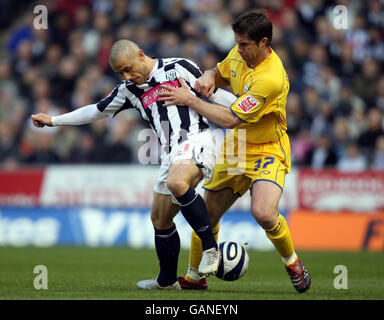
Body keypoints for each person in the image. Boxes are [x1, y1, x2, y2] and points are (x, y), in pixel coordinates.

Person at [31, 39, 237, 290]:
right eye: (121, 73)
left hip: (197, 139)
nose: (127, 76)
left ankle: (210, 249)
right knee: (160, 219)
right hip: (170, 153)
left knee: (177, 182)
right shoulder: (128, 90)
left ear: (141, 54)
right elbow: (95, 111)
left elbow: (212, 92)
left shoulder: (179, 67)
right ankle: (167, 281)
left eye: (129, 69)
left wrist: (245, 106)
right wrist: (53, 120)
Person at [159, 11, 311, 293]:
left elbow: (230, 118)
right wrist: (208, 76)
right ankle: (194, 278)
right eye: (237, 43)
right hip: (237, 146)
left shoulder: (271, 78)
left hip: (267, 148)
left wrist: (191, 100)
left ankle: (293, 263)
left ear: (264, 42)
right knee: (205, 214)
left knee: (264, 213)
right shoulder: (240, 54)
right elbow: (221, 73)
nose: (238, 49)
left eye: (244, 44)